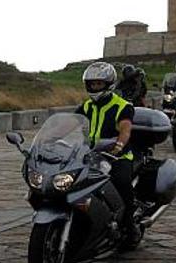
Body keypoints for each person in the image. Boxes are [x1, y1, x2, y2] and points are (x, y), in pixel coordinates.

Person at [74, 62, 138, 239]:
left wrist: (118, 147)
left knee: (121, 183)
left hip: (117, 156)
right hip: (90, 155)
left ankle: (129, 226)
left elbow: (125, 129)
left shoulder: (122, 106)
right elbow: (70, 123)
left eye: (99, 84)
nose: (95, 87)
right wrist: (51, 139)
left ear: (109, 84)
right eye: (92, 84)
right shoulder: (86, 106)